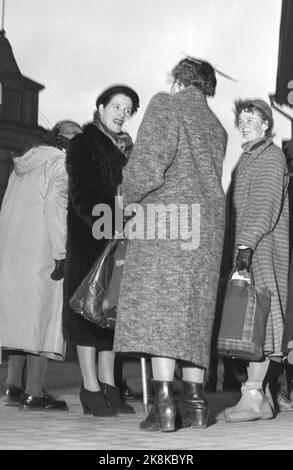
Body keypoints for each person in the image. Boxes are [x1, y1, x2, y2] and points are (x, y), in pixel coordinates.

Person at [113, 56, 227, 431]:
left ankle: (163, 405)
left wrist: (126, 196)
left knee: (161, 312)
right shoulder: (216, 126)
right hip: (207, 229)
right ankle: (195, 403)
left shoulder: (166, 104)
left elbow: (148, 165)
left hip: (168, 223)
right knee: (193, 312)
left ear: (179, 79)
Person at [62, 84, 139, 417]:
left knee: (110, 318)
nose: (122, 114)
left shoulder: (123, 149)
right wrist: (111, 221)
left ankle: (108, 384)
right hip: (91, 240)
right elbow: (84, 192)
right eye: (116, 107)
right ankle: (90, 386)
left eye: (127, 110)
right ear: (101, 107)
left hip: (116, 240)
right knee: (87, 316)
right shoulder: (84, 143)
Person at [0, 120, 82, 410]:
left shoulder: (21, 166)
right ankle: (34, 392)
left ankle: (12, 387)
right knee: (43, 320)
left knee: (21, 319)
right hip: (43, 250)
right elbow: (54, 208)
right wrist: (61, 253)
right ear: (64, 141)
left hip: (13, 252)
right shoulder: (60, 164)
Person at [223, 99, 289, 422]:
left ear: (266, 124)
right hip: (247, 248)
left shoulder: (270, 156)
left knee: (261, 321)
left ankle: (253, 395)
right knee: (250, 321)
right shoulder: (245, 159)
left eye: (254, 117)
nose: (246, 122)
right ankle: (259, 397)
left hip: (261, 249)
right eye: (242, 119)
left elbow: (263, 205)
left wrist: (245, 246)